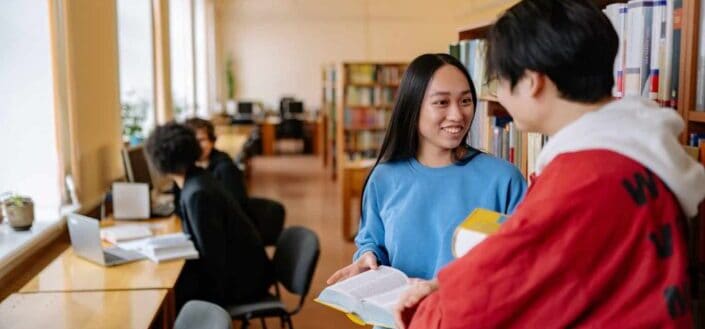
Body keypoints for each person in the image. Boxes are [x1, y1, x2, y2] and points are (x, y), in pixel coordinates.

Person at [395, 1, 705, 328]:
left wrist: (427, 308)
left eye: (498, 80)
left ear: (532, 81)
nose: (498, 94)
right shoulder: (642, 154)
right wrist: (446, 284)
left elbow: (472, 312)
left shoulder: (579, 182)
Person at [327, 54, 527, 287]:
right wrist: (368, 257)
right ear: (413, 107)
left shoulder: (504, 180)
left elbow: (522, 263)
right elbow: (372, 242)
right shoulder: (383, 178)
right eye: (442, 102)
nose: (457, 115)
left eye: (465, 101)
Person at [145, 122, 273, 308]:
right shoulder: (196, 180)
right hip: (243, 271)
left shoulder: (197, 194)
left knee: (165, 297)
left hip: (243, 282)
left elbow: (212, 259)